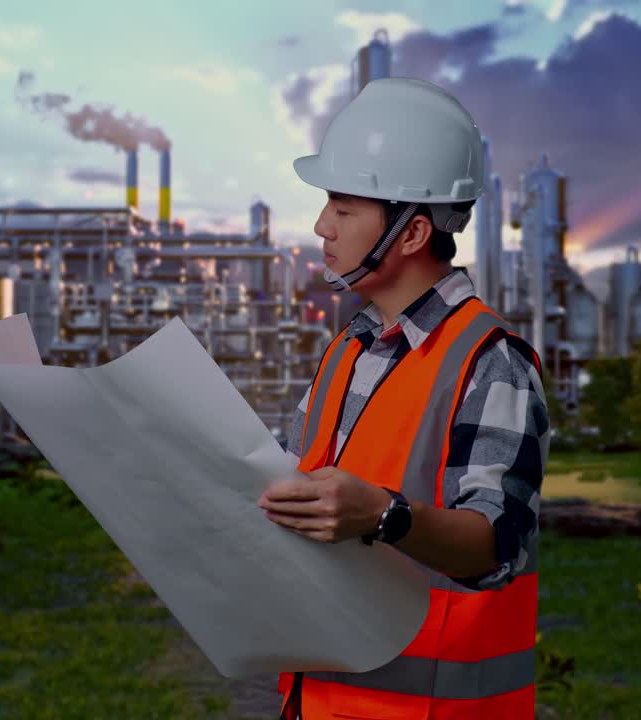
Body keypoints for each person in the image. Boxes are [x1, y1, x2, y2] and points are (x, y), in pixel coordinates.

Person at [257, 77, 552, 719]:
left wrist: (383, 514)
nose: (320, 225)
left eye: (344, 205)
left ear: (412, 233)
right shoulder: (348, 350)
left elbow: (496, 542)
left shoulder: (491, 362)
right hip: (316, 703)